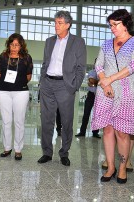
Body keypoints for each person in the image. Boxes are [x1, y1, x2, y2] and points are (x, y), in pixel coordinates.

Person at [91, 9, 134, 184]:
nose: (112, 28)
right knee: (107, 129)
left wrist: (109, 80)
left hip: (126, 91)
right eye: (110, 25)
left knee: (122, 133)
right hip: (105, 91)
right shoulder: (106, 44)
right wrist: (104, 81)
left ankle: (122, 168)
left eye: (115, 24)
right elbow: (98, 64)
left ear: (125, 23)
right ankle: (111, 166)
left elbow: (133, 66)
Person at [37, 10, 86, 166]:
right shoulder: (49, 41)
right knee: (46, 120)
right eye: (55, 22)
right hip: (48, 84)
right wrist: (42, 81)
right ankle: (47, 152)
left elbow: (81, 67)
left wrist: (74, 86)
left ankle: (64, 153)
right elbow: (45, 63)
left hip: (65, 86)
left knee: (66, 121)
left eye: (59, 23)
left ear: (68, 25)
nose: (56, 26)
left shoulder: (77, 42)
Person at [101, 31, 134, 173]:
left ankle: (126, 162)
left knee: (128, 131)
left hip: (133, 94)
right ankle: (111, 160)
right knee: (110, 129)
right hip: (118, 91)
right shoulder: (111, 47)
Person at [0, 33, 33, 161]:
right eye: (12, 44)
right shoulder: (3, 56)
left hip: (21, 92)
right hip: (3, 92)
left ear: (21, 45)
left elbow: (29, 77)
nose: (14, 47)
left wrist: (18, 83)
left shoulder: (27, 58)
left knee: (19, 121)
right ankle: (7, 148)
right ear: (8, 44)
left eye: (17, 45)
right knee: (6, 121)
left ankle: (18, 149)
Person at [76, 61, 100, 138]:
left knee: (97, 115)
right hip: (91, 95)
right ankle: (82, 132)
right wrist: (100, 82)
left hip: (99, 96)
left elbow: (93, 82)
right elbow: (91, 81)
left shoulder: (104, 73)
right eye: (96, 62)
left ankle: (95, 132)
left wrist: (95, 82)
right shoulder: (92, 72)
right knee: (86, 113)